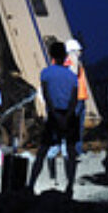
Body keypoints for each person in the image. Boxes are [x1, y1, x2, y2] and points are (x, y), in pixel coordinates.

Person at [28, 41, 79, 197]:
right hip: (69, 115)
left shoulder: (46, 73)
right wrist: (68, 115)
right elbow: (74, 99)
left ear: (51, 56)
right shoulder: (71, 75)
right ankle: (70, 185)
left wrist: (54, 114)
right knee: (70, 152)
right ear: (65, 56)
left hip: (54, 113)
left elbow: (46, 95)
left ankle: (31, 185)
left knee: (43, 150)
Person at [65, 38, 88, 155]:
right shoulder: (69, 62)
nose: (80, 53)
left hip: (81, 98)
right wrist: (74, 59)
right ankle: (72, 151)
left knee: (79, 127)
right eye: (78, 51)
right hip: (75, 99)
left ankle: (77, 150)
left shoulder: (76, 62)